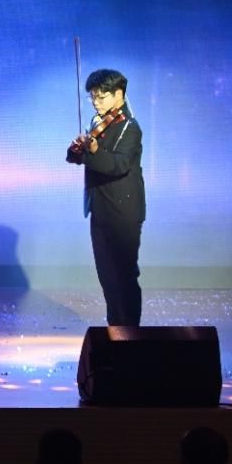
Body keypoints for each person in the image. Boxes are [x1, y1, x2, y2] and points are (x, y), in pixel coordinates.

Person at [66, 68, 145, 325]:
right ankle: (115, 330)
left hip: (123, 211)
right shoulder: (96, 122)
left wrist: (94, 151)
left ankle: (129, 332)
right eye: (92, 97)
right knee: (107, 277)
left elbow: (117, 166)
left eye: (101, 97)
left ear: (118, 94)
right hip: (99, 208)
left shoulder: (130, 128)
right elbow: (82, 159)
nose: (95, 103)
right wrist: (76, 151)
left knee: (124, 275)